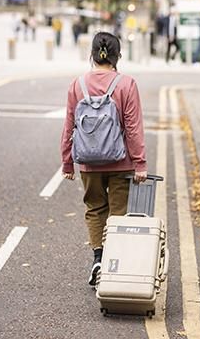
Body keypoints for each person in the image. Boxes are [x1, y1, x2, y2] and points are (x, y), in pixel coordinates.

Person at [60, 31, 148, 286]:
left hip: (88, 161)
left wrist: (67, 162)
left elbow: (69, 126)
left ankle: (98, 258)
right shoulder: (126, 84)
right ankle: (113, 263)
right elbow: (133, 128)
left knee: (95, 209)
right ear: (117, 56)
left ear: (92, 56)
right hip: (120, 162)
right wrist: (140, 163)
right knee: (118, 214)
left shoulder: (77, 85)